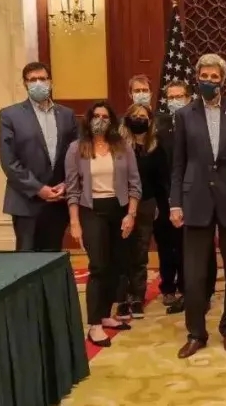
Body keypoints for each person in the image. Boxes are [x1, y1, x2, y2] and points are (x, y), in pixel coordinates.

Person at [169, 53, 226, 357]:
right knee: (194, 275)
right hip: (195, 199)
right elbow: (178, 164)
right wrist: (175, 202)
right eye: (204, 76)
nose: (208, 81)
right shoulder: (184, 114)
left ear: (223, 79)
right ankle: (196, 333)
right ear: (197, 78)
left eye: (214, 76)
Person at [65, 101, 141, 347]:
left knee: (116, 265)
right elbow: (72, 189)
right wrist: (75, 222)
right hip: (91, 211)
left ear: (112, 122)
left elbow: (134, 184)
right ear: (89, 120)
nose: (100, 120)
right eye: (96, 116)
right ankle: (94, 324)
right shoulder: (76, 149)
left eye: (105, 117)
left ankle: (106, 314)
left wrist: (131, 214)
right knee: (98, 266)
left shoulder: (123, 147)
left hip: (119, 210)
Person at [0, 61, 78, 251]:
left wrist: (67, 184)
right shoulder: (10, 115)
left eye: (42, 78)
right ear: (25, 84)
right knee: (27, 260)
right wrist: (38, 189)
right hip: (26, 202)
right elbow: (9, 161)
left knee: (52, 258)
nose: (38, 83)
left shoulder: (67, 115)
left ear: (51, 82)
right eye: (32, 80)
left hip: (58, 200)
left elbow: (77, 155)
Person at [114, 103, 169, 320]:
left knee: (140, 252)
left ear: (150, 120)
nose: (139, 119)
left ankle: (137, 297)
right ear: (127, 119)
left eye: (143, 116)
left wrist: (159, 206)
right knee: (121, 252)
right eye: (135, 115)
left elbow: (162, 181)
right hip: (120, 204)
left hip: (146, 204)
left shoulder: (155, 147)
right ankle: (121, 298)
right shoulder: (117, 146)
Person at [154, 80, 190, 310]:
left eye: (179, 96)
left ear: (188, 98)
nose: (175, 101)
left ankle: (188, 288)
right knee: (166, 245)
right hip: (163, 196)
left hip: (191, 195)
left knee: (188, 246)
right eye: (171, 97)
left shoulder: (195, 123)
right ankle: (168, 287)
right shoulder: (159, 126)